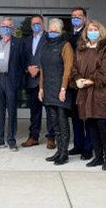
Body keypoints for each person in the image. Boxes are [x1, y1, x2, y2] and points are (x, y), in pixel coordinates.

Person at [72, 20, 106, 171]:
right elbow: (74, 67)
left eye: (95, 29)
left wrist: (90, 80)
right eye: (89, 30)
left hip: (102, 92)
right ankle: (98, 157)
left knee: (102, 125)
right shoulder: (81, 49)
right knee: (91, 125)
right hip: (86, 93)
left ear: (100, 31)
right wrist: (77, 79)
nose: (92, 32)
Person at [38, 18, 74, 165]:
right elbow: (43, 70)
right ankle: (58, 151)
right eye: (50, 30)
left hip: (61, 90)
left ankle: (64, 153)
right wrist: (41, 88)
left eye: (54, 30)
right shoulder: (45, 45)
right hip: (48, 88)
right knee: (54, 123)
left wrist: (64, 88)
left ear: (60, 32)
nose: (51, 32)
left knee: (62, 120)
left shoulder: (66, 46)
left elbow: (68, 69)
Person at [0, 17, 25, 151]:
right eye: (4, 25)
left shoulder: (19, 43)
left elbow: (23, 63)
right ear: (0, 26)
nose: (6, 28)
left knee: (12, 111)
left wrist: (20, 81)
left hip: (11, 80)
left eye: (9, 26)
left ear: (12, 28)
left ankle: (11, 140)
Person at [21, 15, 55, 150]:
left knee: (50, 111)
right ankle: (33, 137)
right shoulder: (26, 40)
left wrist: (40, 69)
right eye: (34, 23)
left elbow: (53, 56)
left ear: (43, 24)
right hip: (31, 80)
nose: (36, 25)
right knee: (34, 111)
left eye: (38, 23)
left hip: (46, 80)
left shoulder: (49, 38)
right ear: (31, 26)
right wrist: (27, 68)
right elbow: (22, 58)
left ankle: (51, 137)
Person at [66, 7, 93, 160]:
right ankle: (78, 145)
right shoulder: (68, 35)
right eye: (73, 16)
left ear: (84, 19)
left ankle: (89, 147)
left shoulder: (88, 34)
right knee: (75, 115)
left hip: (86, 80)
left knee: (87, 115)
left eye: (79, 16)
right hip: (73, 81)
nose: (76, 18)